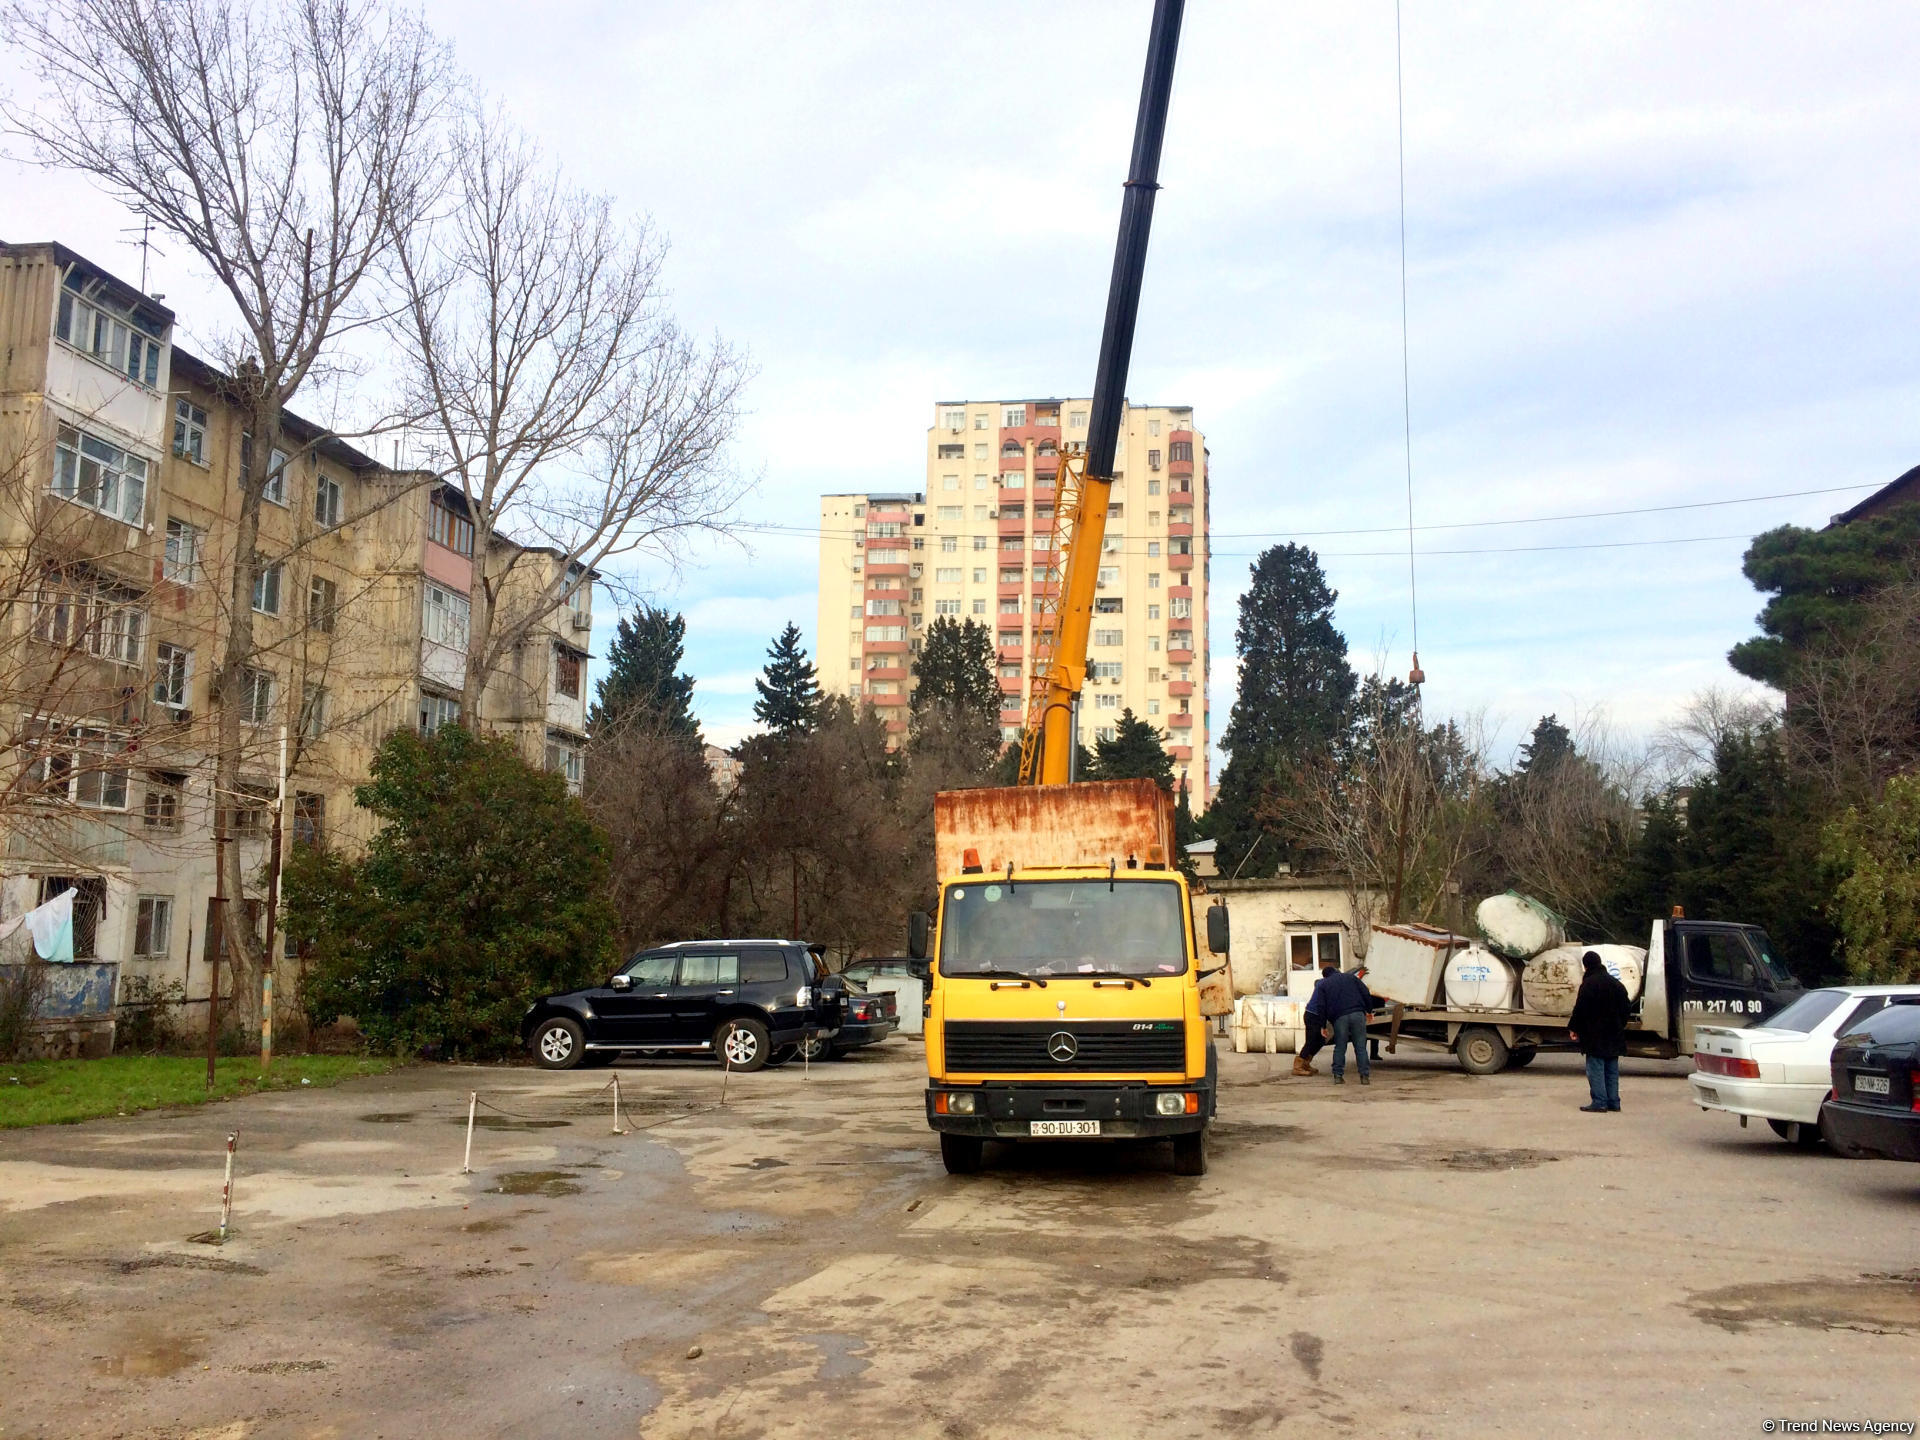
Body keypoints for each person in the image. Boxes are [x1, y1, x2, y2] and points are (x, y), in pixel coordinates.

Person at [1567, 950, 1630, 1112]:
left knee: (1595, 1068)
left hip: (1594, 1035)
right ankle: (1613, 1102)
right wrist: (1619, 1024)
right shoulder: (1617, 984)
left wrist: (1574, 1027)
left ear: (1586, 966)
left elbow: (1580, 1009)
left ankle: (1600, 1102)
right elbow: (1626, 1008)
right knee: (1611, 1069)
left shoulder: (1588, 984)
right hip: (1614, 1033)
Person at [1307, 957, 1375, 1085]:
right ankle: (1364, 1077)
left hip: (1339, 1018)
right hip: (1357, 1014)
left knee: (1340, 1047)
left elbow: (1321, 1006)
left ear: (1325, 976)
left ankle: (1338, 1076)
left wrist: (1323, 1025)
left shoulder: (1324, 984)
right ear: (1336, 971)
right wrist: (1369, 1011)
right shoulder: (1351, 978)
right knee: (1360, 1047)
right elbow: (1366, 993)